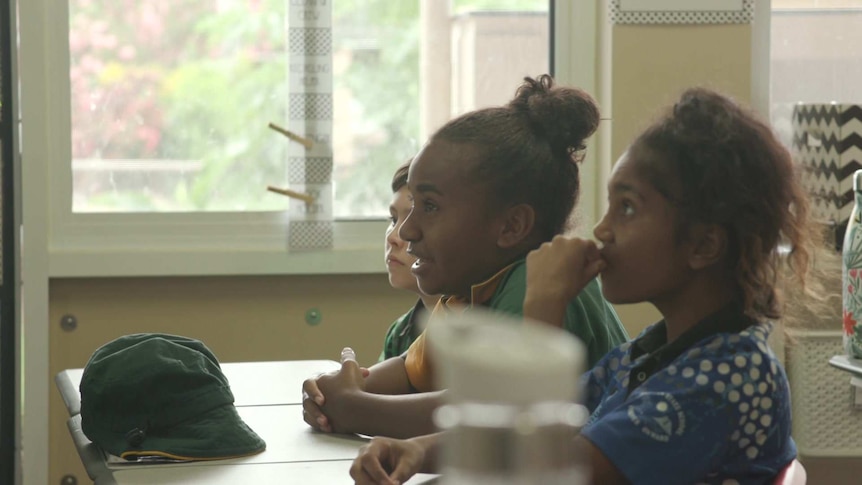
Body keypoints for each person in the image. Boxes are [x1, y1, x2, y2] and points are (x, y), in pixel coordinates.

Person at [349, 87, 813, 485]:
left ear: (703, 244)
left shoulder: (721, 380)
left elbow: (544, 469)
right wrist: (418, 451)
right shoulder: (651, 355)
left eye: (627, 209)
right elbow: (521, 431)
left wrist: (544, 304)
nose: (603, 231)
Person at [302, 74, 628, 439]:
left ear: (511, 226)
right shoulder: (472, 291)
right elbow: (411, 374)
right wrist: (333, 389)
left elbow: (487, 411)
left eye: (430, 206)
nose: (407, 231)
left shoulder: (538, 283)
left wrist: (356, 409)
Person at [380, 160, 440, 362]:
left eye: (415, 220)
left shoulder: (483, 320)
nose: (394, 238)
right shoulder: (399, 334)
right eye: (393, 219)